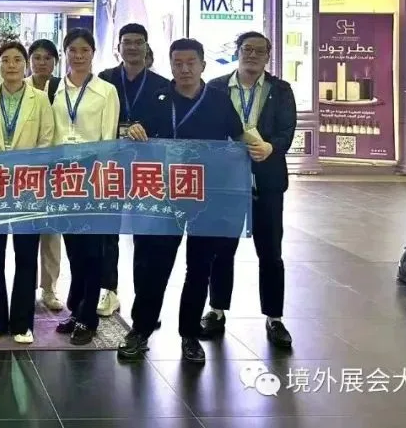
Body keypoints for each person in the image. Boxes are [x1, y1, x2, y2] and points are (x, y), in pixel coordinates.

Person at [117, 38, 260, 365]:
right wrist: (133, 130)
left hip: (205, 198)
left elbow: (239, 136)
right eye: (178, 63)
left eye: (190, 63)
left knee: (199, 269)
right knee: (154, 267)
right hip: (163, 197)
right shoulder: (156, 98)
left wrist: (262, 146)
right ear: (170, 65)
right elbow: (135, 132)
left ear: (202, 65)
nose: (184, 69)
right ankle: (140, 330)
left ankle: (190, 334)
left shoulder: (218, 100)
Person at [202, 31, 296, 349]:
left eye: (259, 51)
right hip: (225, 180)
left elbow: (287, 130)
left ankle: (274, 317)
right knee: (221, 247)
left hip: (266, 178)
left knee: (270, 251)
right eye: (247, 49)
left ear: (268, 56)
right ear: (237, 52)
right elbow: (206, 127)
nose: (252, 55)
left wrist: (271, 147)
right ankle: (216, 310)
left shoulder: (280, 90)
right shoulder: (216, 87)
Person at [0, 41, 55, 343]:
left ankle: (23, 323)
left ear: (25, 65)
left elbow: (46, 141)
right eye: (6, 60)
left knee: (26, 255)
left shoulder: (40, 99)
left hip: (28, 186)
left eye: (17, 60)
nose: (11, 65)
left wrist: (25, 171)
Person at [96, 23, 170, 318]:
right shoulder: (105, 79)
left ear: (146, 47)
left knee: (145, 234)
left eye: (138, 42)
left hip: (145, 167)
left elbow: (166, 124)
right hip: (111, 165)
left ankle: (145, 301)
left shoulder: (162, 85)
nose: (133, 47)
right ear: (119, 47)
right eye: (127, 42)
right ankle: (108, 290)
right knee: (107, 232)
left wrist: (146, 129)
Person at [51, 28, 120, 345]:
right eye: (72, 50)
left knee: (93, 251)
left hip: (93, 178)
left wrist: (101, 181)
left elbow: (108, 139)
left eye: (84, 50)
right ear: (65, 53)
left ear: (93, 53)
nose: (78, 56)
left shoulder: (106, 91)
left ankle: (88, 317)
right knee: (74, 250)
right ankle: (77, 309)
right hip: (62, 177)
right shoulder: (55, 89)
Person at [26, 38, 63, 312]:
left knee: (51, 233)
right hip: (24, 172)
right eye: (37, 57)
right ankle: (23, 286)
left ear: (55, 61)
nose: (42, 63)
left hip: (55, 171)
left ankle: (49, 289)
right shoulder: (18, 87)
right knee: (24, 233)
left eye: (47, 58)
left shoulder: (63, 89)